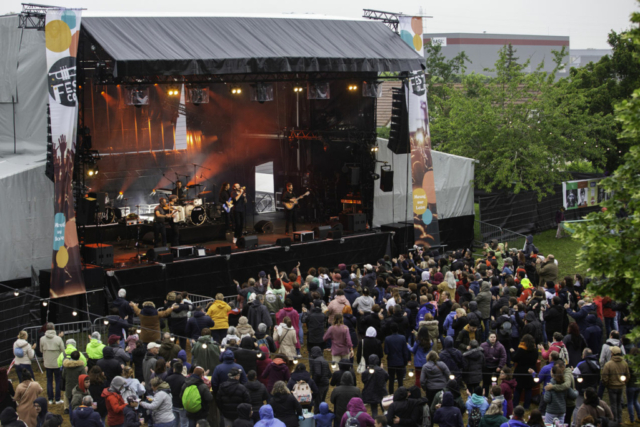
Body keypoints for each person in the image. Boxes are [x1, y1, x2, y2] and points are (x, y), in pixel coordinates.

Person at [601, 346, 629, 423]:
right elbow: (628, 375)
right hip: (620, 386)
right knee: (619, 404)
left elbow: (604, 377)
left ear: (612, 354)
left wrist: (607, 385)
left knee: (613, 404)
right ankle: (619, 420)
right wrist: (623, 383)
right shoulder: (624, 363)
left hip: (612, 387)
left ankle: (614, 420)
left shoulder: (608, 364)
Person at [40, 323, 65, 405]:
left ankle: (50, 399)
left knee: (49, 381)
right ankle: (57, 399)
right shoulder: (58, 339)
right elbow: (63, 350)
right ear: (53, 328)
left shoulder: (42, 339)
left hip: (47, 363)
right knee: (58, 381)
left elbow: (40, 350)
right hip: (57, 363)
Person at [511, 334, 538, 409]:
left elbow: (514, 358)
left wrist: (512, 352)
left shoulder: (521, 350)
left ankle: (515, 404)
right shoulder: (535, 350)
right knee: (528, 389)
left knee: (518, 389)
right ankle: (526, 406)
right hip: (530, 371)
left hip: (520, 371)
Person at [384, 322, 409, 394]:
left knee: (391, 380)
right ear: (397, 329)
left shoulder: (387, 339)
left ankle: (391, 394)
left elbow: (386, 351)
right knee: (400, 380)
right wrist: (405, 361)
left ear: (391, 330)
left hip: (391, 362)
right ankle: (401, 394)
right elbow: (405, 351)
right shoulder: (402, 338)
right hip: (400, 362)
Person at [308, 347, 331, 413]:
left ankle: (316, 419)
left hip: (319, 385)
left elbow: (318, 373)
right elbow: (330, 374)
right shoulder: (324, 360)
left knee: (317, 403)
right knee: (322, 402)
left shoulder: (316, 361)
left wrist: (314, 383)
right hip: (326, 384)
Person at [165, 361, 188, 427]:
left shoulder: (168, 379)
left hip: (172, 403)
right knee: (184, 423)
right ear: (182, 369)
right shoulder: (184, 380)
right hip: (181, 404)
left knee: (174, 423)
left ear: (174, 369)